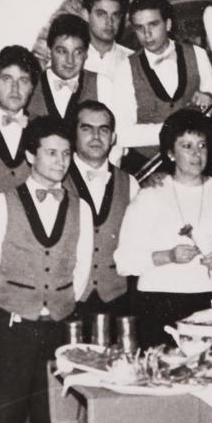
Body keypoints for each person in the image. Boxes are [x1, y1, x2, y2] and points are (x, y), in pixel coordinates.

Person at [0, 116, 93, 423]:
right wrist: (14, 309)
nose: (61, 161)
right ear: (30, 155)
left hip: (57, 330)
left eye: (66, 154)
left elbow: (81, 271)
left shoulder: (81, 208)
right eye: (51, 153)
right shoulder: (2, 203)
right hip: (13, 328)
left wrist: (58, 306)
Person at [115, 109, 212, 347]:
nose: (196, 154)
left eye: (202, 145)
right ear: (171, 153)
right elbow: (124, 261)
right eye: (187, 146)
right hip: (161, 304)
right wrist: (168, 256)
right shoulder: (150, 195)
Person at [113, 0, 212, 171]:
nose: (147, 34)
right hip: (148, 165)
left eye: (153, 24)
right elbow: (123, 133)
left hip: (195, 161)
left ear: (168, 24)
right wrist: (175, 131)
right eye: (139, 28)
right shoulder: (125, 68)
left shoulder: (197, 54)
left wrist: (208, 97)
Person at [66, 100, 138, 321]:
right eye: (87, 129)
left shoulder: (131, 183)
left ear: (113, 138)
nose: (96, 137)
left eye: (103, 130)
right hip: (69, 298)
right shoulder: (56, 178)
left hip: (116, 297)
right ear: (74, 135)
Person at [0, 45, 40, 195]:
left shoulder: (42, 126)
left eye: (23, 81)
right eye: (7, 79)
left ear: (31, 88)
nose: (15, 89)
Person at [26, 13, 102, 123]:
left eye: (78, 52)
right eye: (62, 51)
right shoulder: (30, 84)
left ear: (86, 54)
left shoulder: (101, 84)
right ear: (49, 51)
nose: (70, 61)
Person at [80, 0, 133, 82]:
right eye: (101, 14)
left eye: (115, 15)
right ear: (86, 15)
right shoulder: (68, 62)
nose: (109, 22)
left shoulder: (134, 62)